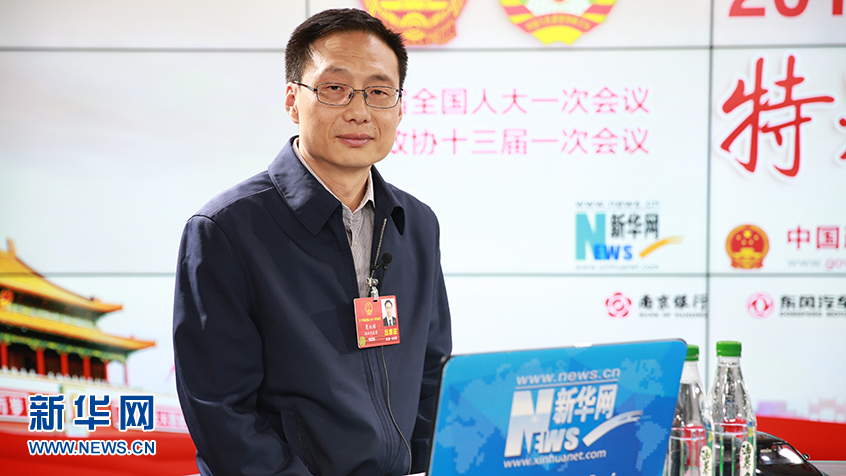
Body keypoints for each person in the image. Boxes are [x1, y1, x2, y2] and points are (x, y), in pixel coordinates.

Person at [172, 8, 452, 476]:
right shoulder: (226, 229)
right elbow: (222, 412)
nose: (359, 111)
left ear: (399, 106)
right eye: (335, 88)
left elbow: (432, 375)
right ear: (292, 100)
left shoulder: (416, 223)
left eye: (379, 91)